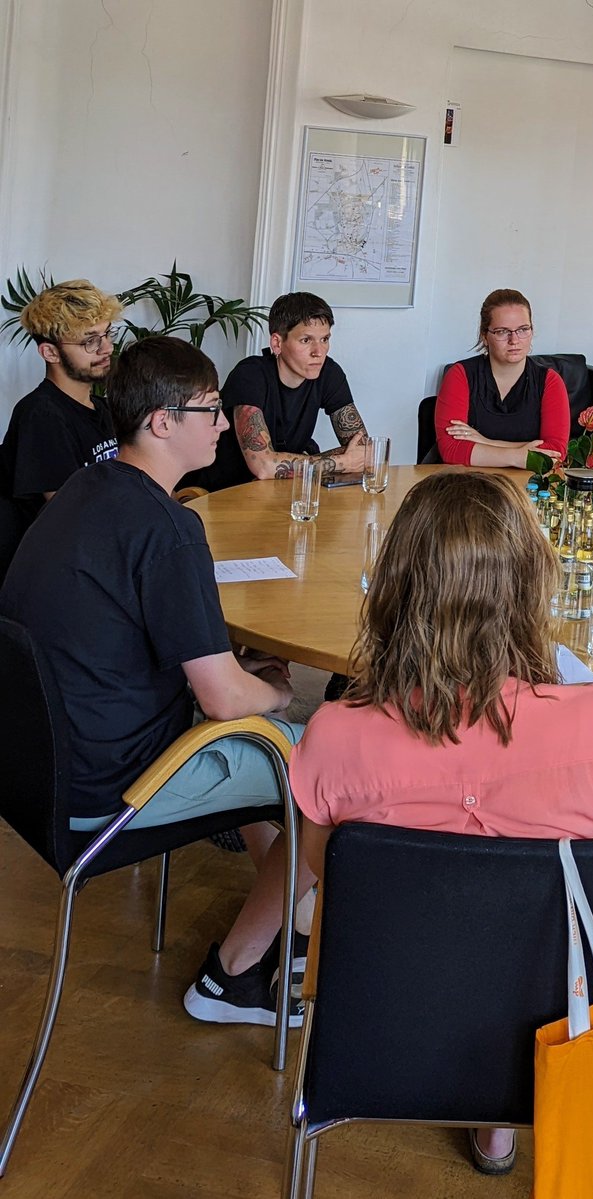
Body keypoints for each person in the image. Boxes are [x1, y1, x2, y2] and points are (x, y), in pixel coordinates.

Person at [289, 470, 593, 1174]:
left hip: (383, 1012)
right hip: (546, 1018)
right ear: (530, 589)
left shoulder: (333, 733)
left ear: (395, 587)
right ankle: (497, 1120)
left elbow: (316, 885)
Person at [0, 335, 316, 1027]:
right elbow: (225, 698)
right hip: (111, 785)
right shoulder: (167, 528)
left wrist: (239, 677)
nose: (225, 423)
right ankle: (232, 976)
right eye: (210, 409)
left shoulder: (88, 487)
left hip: (40, 769)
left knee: (266, 744)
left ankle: (293, 909)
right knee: (326, 774)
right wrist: (275, 692)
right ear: (162, 421)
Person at [191, 291, 369, 490]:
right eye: (306, 340)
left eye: (325, 339)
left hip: (280, 492)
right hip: (223, 493)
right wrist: (341, 462)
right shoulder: (250, 375)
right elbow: (263, 466)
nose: (318, 352)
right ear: (277, 343)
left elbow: (362, 452)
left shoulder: (328, 372)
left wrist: (297, 463)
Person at [0, 279, 121, 532]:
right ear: (50, 353)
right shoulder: (41, 415)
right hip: (62, 561)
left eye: (107, 333)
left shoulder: (103, 408)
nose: (107, 348)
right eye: (90, 341)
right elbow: (71, 515)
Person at [433, 288, 569, 468]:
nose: (514, 340)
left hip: (529, 486)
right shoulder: (460, 375)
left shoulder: (550, 381)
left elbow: (555, 453)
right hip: (468, 483)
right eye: (502, 331)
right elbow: (451, 449)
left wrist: (485, 441)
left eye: (522, 329)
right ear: (485, 336)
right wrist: (518, 456)